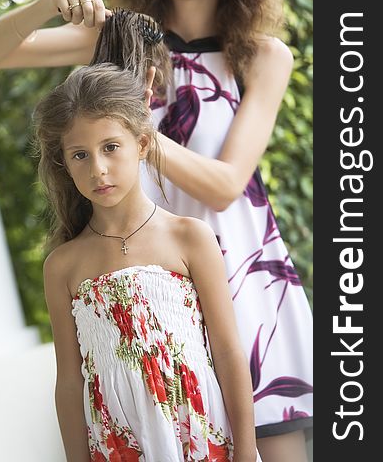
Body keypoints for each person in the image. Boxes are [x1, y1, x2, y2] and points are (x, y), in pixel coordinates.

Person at [0, 0, 313, 462]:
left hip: (240, 279)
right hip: (146, 288)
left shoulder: (260, 55)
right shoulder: (117, 41)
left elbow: (227, 186)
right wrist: (51, 4)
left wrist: (134, 132)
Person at [34, 49, 260, 461]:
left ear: (141, 144)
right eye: (80, 155)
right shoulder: (62, 266)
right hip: (121, 446)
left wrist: (246, 453)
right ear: (64, 163)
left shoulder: (189, 237)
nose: (98, 169)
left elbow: (227, 352)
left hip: (203, 438)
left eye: (110, 147)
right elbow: (69, 381)